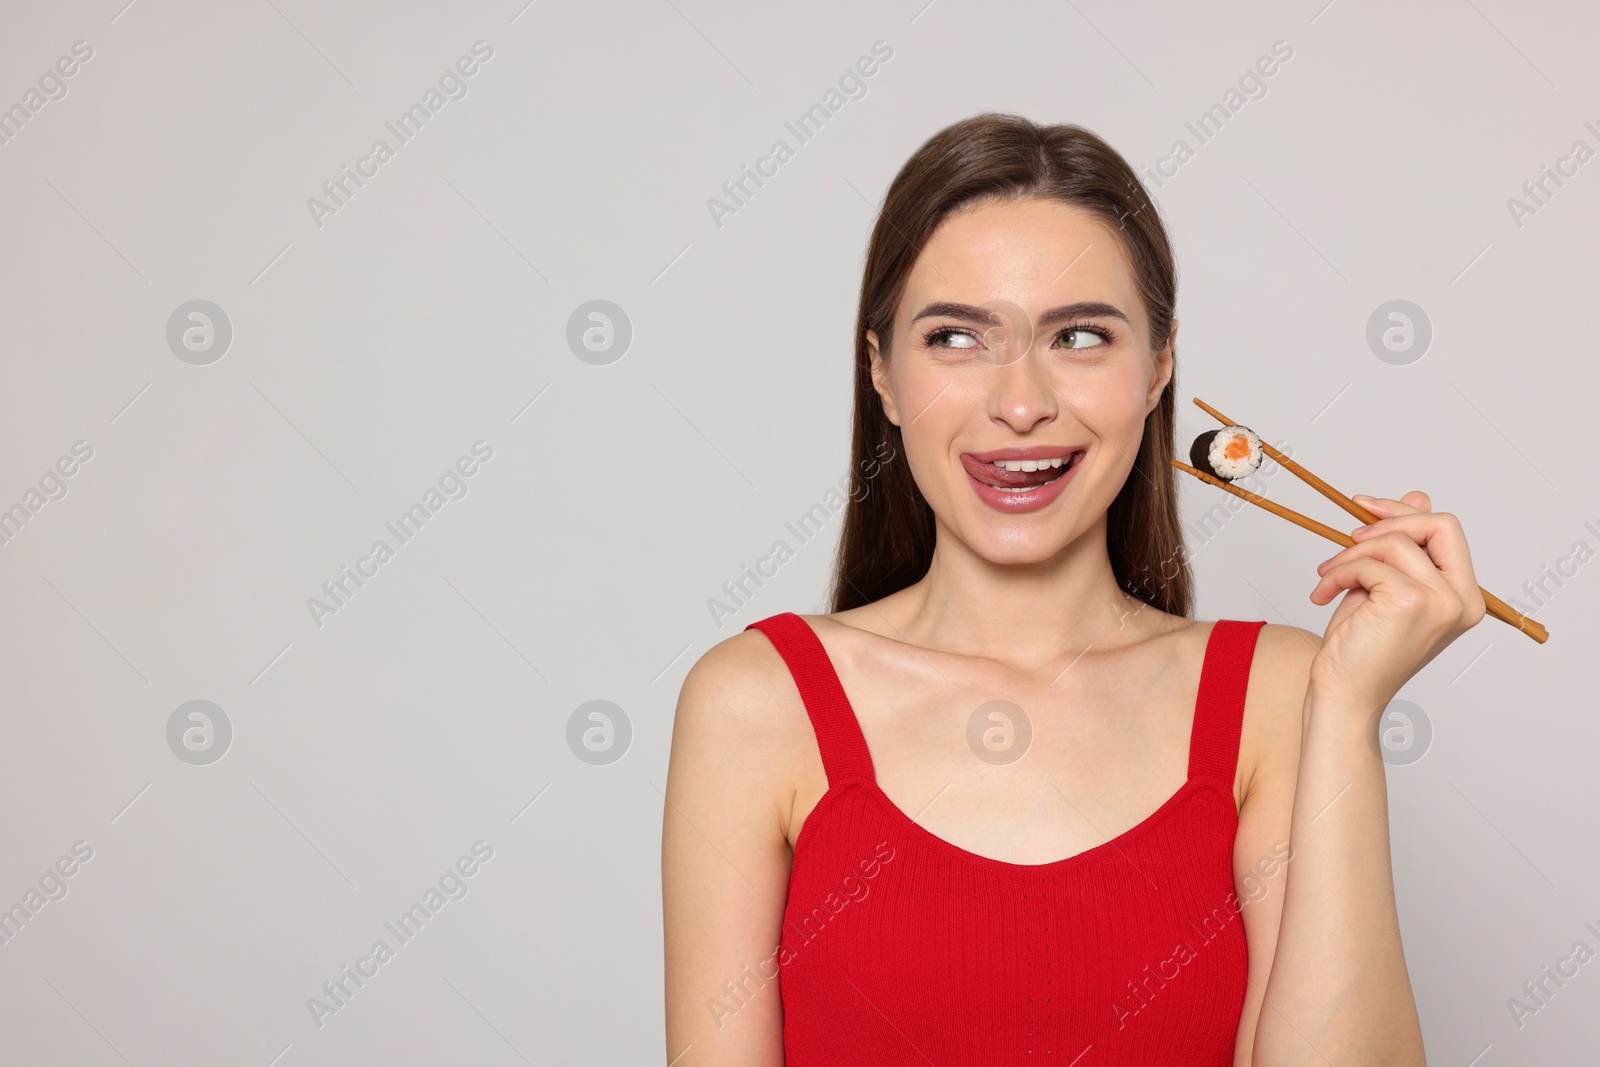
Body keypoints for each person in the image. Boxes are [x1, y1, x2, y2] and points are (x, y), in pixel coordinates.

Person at [662, 112, 1482, 1066]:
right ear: (881, 372)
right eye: (956, 338)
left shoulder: (1282, 696)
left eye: (1081, 335)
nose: (1020, 404)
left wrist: (1347, 710)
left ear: (1158, 366)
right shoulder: (756, 702)